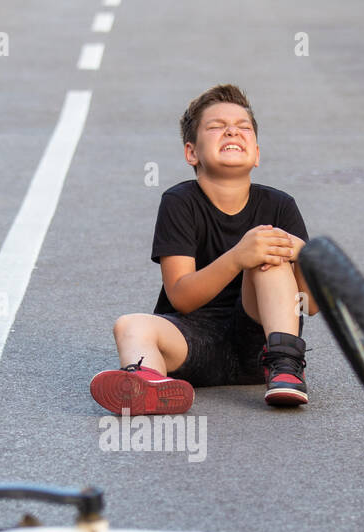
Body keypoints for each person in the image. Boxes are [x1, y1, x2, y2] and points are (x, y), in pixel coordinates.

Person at [89, 84, 320, 416]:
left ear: (257, 153)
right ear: (191, 152)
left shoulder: (279, 205)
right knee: (129, 325)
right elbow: (181, 296)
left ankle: (286, 366)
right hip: (194, 342)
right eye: (215, 126)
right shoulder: (179, 202)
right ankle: (147, 384)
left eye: (243, 127)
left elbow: (310, 305)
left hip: (261, 345)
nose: (231, 131)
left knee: (267, 255)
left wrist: (302, 254)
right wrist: (238, 256)